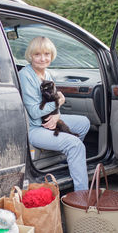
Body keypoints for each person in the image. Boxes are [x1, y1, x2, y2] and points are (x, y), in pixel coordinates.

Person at [18, 36, 90, 191]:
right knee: (75, 145)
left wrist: (57, 115)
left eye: (47, 54)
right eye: (37, 54)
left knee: (84, 123)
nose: (43, 58)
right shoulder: (25, 75)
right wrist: (59, 101)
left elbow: (54, 106)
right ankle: (82, 196)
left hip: (49, 121)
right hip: (35, 128)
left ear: (52, 56)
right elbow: (34, 111)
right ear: (30, 56)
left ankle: (66, 161)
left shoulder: (47, 74)